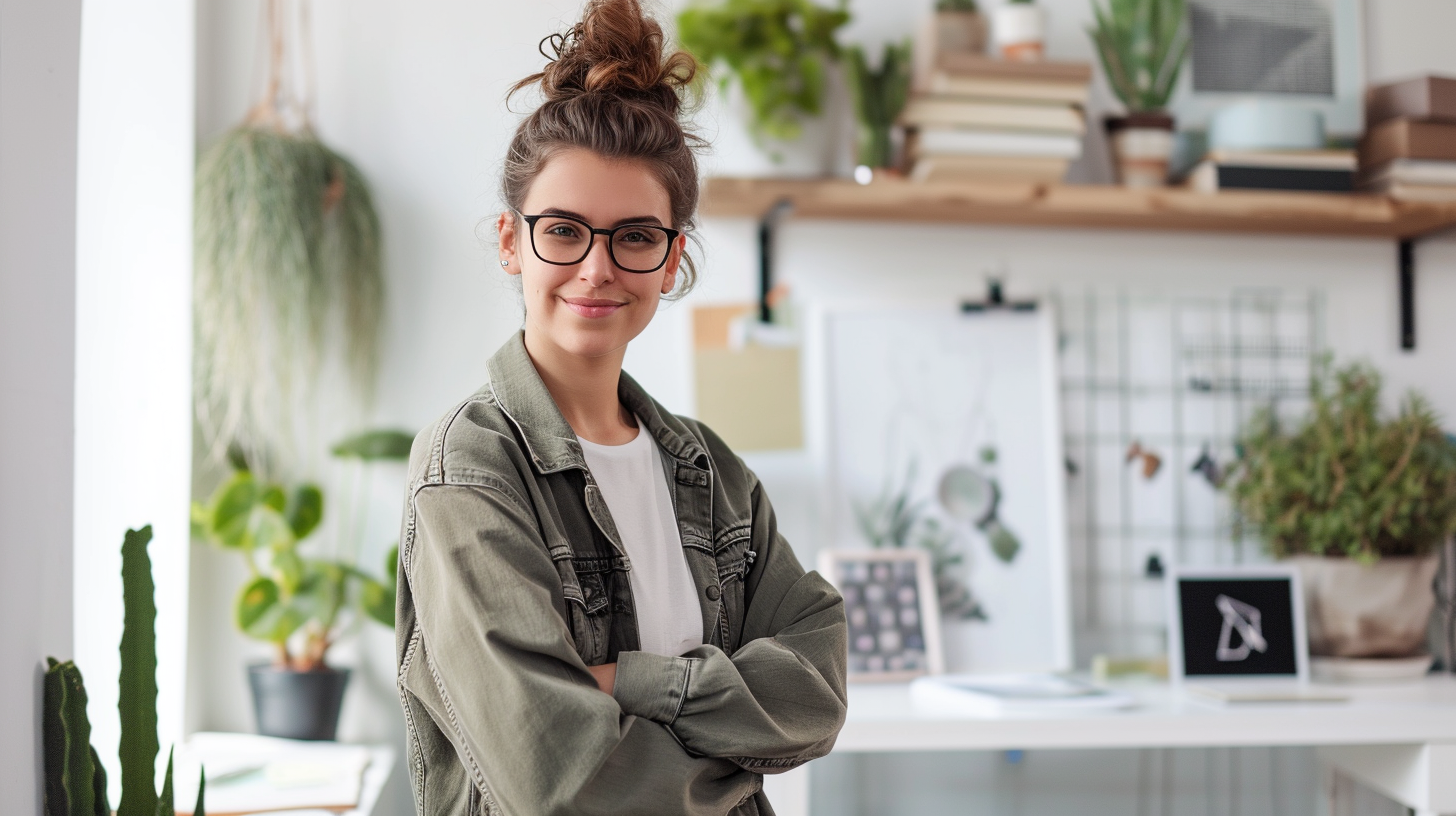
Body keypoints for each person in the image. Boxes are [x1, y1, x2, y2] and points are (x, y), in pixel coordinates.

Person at [393, 1, 848, 813]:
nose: (598, 269)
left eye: (635, 236)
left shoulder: (709, 470)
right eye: (563, 231)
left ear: (672, 258)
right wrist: (739, 757)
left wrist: (632, 685)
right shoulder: (469, 468)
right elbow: (561, 779)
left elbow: (815, 689)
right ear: (511, 240)